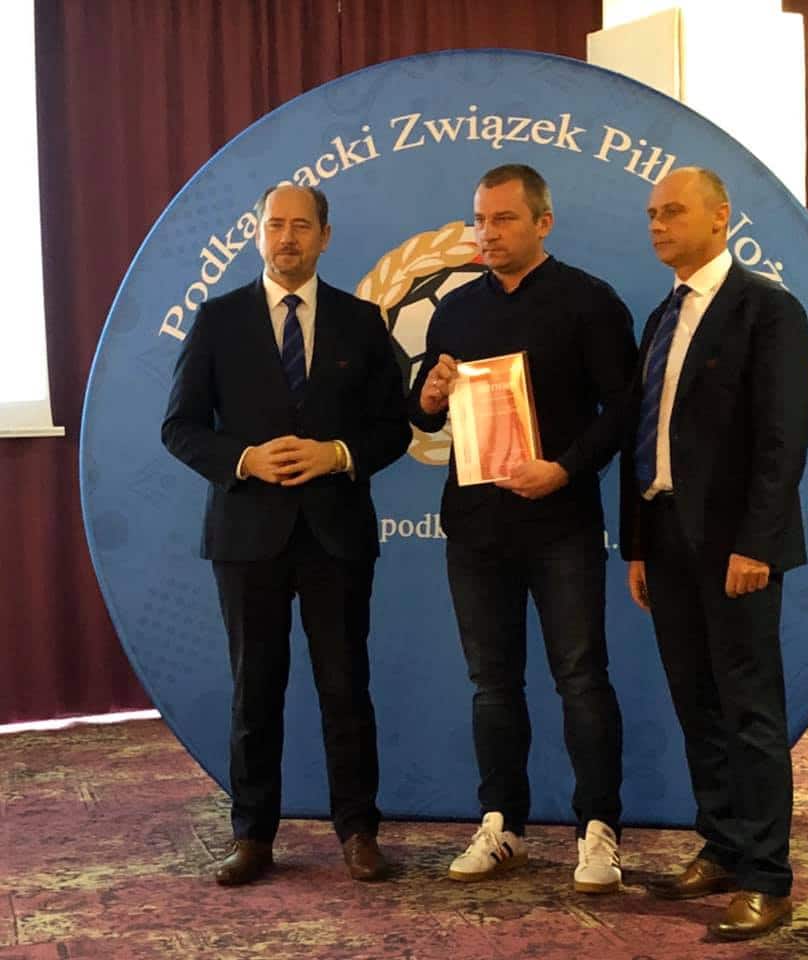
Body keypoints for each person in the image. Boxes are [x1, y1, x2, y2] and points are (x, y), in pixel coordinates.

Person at [162, 183, 411, 886]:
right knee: (254, 691)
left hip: (336, 535)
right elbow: (179, 427)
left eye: (302, 226)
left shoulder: (363, 320)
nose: (287, 238)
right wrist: (244, 459)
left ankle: (358, 832)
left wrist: (339, 454)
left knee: (346, 688)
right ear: (258, 234)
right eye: (275, 225)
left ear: (325, 237)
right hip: (247, 535)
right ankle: (252, 835)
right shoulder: (218, 320)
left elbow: (393, 429)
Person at [409, 164, 637, 893]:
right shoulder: (454, 309)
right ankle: (502, 823)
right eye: (480, 220)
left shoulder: (590, 301)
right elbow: (424, 415)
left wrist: (564, 469)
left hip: (561, 523)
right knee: (492, 684)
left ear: (544, 222)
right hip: (476, 528)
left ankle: (598, 831)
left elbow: (623, 411)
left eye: (504, 219)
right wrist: (429, 395)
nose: (488, 233)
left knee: (581, 678)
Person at [620, 167, 808, 939]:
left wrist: (757, 541)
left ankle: (767, 875)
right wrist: (638, 544)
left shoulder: (767, 308)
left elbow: (782, 439)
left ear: (719, 216)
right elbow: (645, 438)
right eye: (651, 214)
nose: (658, 225)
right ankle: (724, 844)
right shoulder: (660, 316)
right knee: (696, 701)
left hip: (736, 545)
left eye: (673, 211)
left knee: (749, 708)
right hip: (665, 535)